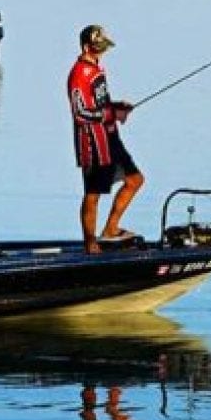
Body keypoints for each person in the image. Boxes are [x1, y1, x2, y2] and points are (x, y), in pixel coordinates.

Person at [67, 24, 144, 255]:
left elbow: (101, 103)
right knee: (93, 194)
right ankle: (90, 242)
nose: (100, 53)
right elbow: (80, 113)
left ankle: (111, 229)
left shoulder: (97, 69)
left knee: (135, 180)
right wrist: (110, 113)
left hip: (110, 137)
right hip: (92, 143)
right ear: (85, 47)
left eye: (101, 48)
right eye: (96, 48)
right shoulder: (78, 74)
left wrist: (118, 107)